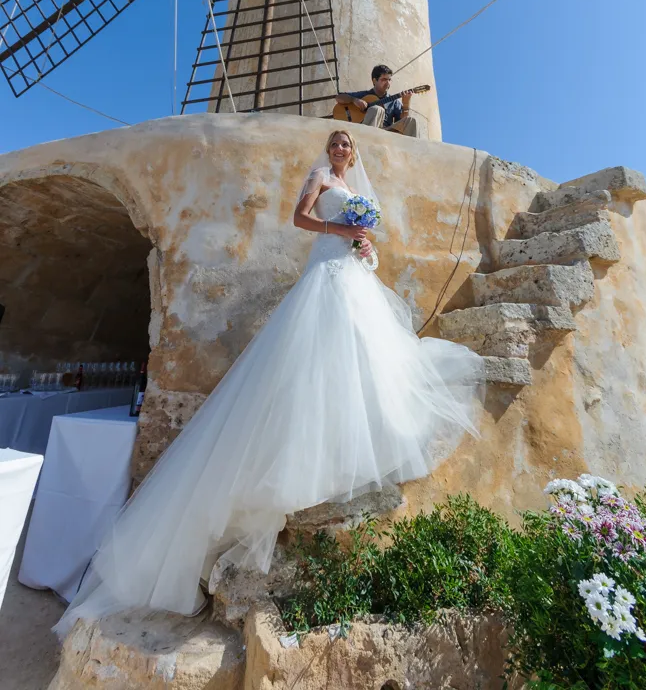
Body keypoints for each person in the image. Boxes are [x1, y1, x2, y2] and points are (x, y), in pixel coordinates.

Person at [55, 130, 483, 639]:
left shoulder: (358, 190)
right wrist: (339, 229)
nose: (341, 148)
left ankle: (346, 443)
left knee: (357, 357)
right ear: (328, 151)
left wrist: (363, 242)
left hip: (348, 273)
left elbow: (357, 233)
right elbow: (300, 218)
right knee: (311, 361)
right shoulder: (320, 177)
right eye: (336, 142)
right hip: (323, 272)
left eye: (347, 143)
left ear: (355, 151)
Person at [335, 64, 418, 137]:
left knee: (411, 121)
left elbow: (402, 122)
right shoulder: (364, 95)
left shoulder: (394, 102)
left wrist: (406, 104)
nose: (388, 83)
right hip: (365, 132)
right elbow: (338, 97)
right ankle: (367, 141)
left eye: (389, 80)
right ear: (374, 81)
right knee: (377, 109)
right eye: (384, 79)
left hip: (387, 132)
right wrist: (353, 100)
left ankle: (414, 153)